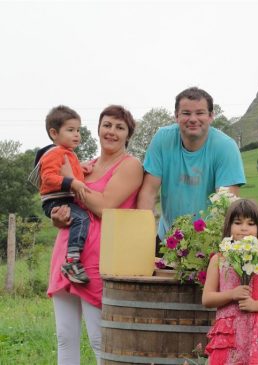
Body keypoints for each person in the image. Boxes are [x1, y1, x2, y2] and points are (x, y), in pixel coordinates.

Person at [47, 105, 143, 365]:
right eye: (107, 125)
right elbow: (62, 201)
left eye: (119, 127)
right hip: (67, 251)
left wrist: (72, 181)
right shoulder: (84, 166)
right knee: (65, 337)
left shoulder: (131, 166)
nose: (111, 132)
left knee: (100, 339)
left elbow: (104, 206)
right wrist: (58, 217)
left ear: (127, 135)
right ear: (98, 129)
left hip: (99, 257)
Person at [137, 87, 246, 255]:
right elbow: (149, 192)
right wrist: (142, 237)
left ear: (211, 116)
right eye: (186, 113)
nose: (193, 119)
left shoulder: (226, 147)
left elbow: (226, 205)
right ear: (176, 116)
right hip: (169, 239)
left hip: (209, 242)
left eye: (200, 113)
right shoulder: (162, 139)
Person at [202, 199, 258, 364]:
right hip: (229, 332)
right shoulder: (218, 259)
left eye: (250, 223)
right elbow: (207, 298)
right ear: (229, 226)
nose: (244, 228)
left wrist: (255, 306)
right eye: (238, 222)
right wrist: (231, 294)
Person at [34, 105, 91, 284]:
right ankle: (72, 262)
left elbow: (68, 171)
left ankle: (72, 260)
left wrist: (82, 169)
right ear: (54, 133)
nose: (77, 134)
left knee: (80, 217)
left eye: (78, 130)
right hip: (55, 201)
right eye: (70, 130)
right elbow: (49, 177)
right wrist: (72, 182)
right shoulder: (53, 153)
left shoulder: (68, 153)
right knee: (81, 219)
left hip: (63, 198)